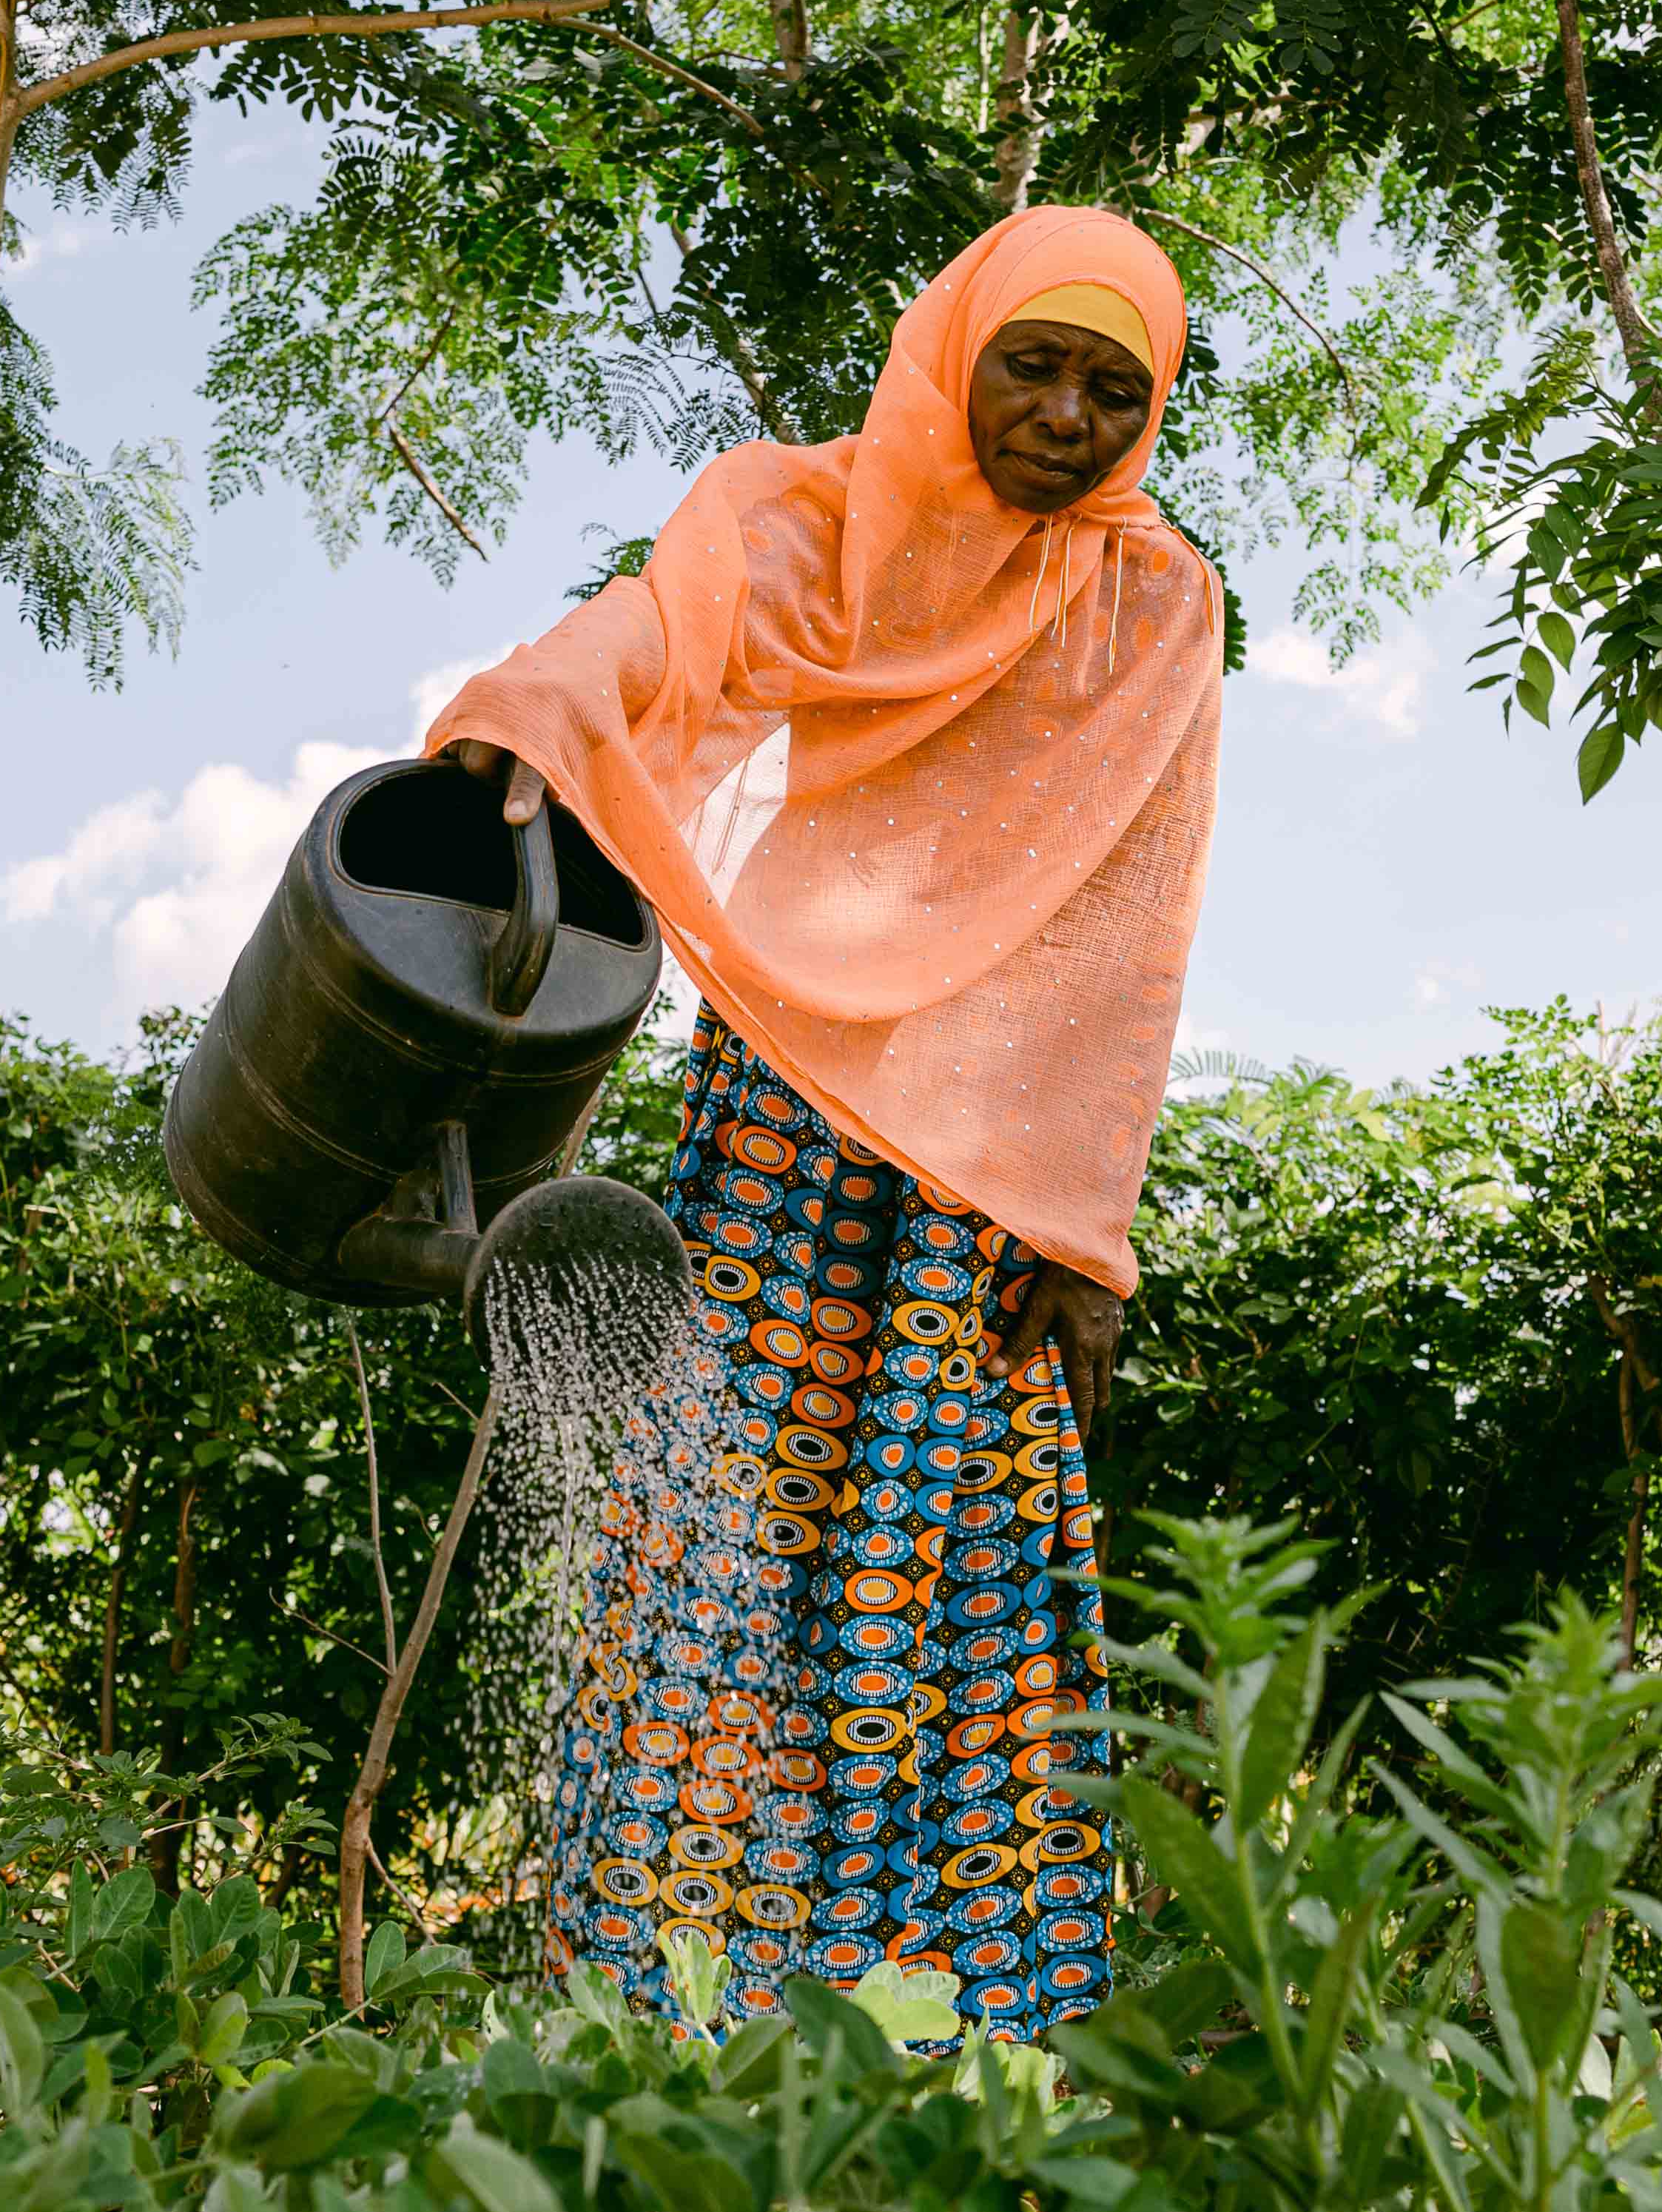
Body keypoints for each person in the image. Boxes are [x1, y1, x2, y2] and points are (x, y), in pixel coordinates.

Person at [428, 203, 1222, 2042]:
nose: (1071, 415)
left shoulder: (1154, 603)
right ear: (959, 357)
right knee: (720, 1533)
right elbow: (659, 640)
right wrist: (533, 715)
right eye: (1035, 364)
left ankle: (959, 2036)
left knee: (952, 1566)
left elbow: (1140, 930)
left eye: (1119, 388)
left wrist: (1089, 1228)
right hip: (789, 1109)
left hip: (991, 1186)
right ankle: (675, 2009)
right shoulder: (818, 518)